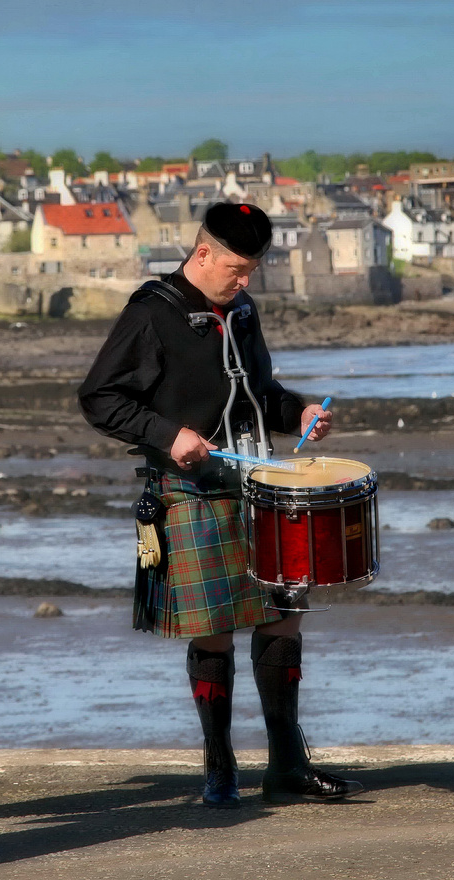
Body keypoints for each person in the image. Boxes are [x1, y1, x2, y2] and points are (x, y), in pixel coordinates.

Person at [78, 202, 355, 808]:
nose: (245, 280)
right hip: (191, 491)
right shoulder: (151, 312)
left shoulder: (244, 310)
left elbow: (261, 393)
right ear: (202, 254)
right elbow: (99, 397)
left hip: (262, 487)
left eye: (252, 269)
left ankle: (286, 764)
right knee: (212, 632)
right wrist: (165, 434)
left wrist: (299, 412)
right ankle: (219, 767)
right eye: (235, 267)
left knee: (285, 615)